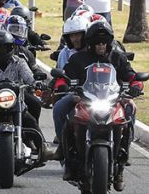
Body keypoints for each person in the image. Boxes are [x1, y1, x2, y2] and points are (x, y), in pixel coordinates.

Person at [52, 21, 140, 189]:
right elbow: (63, 76)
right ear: (90, 43)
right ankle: (65, 154)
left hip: (113, 100)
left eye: (104, 42)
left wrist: (135, 87)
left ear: (109, 42)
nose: (101, 46)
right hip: (83, 98)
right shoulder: (78, 58)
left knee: (130, 110)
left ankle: (122, 161)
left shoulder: (117, 57)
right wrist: (62, 85)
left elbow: (132, 76)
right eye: (97, 42)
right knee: (59, 108)